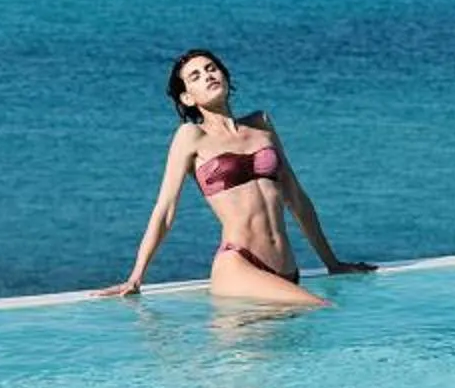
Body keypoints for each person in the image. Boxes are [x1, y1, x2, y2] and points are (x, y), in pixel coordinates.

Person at [100, 49, 374, 307]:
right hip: (239, 265)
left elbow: (297, 199)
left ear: (225, 76)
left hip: (286, 270)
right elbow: (166, 210)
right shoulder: (191, 136)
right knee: (321, 307)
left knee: (280, 354)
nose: (208, 75)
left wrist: (332, 263)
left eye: (211, 69)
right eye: (195, 76)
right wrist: (137, 276)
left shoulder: (261, 124)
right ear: (187, 98)